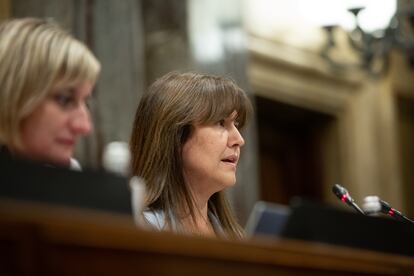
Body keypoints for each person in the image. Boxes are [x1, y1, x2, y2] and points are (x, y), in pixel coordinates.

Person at [129, 72, 253, 239]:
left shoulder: (236, 239)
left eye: (236, 124)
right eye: (221, 123)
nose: (239, 139)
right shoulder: (136, 229)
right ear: (176, 136)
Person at [0, 17, 100, 169]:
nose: (84, 127)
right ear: (11, 95)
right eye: (65, 100)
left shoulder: (70, 177)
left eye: (85, 102)